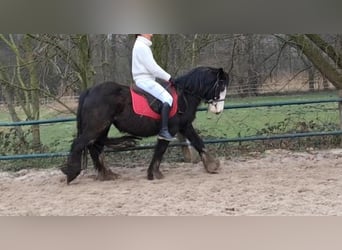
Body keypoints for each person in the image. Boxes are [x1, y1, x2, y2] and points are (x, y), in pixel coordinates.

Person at [131, 34, 175, 141]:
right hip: (145, 80)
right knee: (168, 99)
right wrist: (169, 78)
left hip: (144, 79)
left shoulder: (142, 45)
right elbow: (153, 68)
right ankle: (163, 131)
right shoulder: (142, 46)